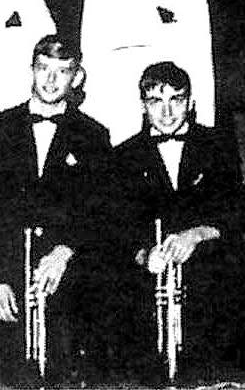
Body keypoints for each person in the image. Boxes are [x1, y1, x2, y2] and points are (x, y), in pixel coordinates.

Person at [92, 61, 242, 382]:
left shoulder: (216, 146)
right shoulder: (122, 156)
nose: (167, 111)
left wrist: (196, 235)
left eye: (176, 99)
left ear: (190, 101)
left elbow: (235, 211)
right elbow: (114, 228)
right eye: (156, 101)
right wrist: (144, 255)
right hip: (147, 288)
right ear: (143, 105)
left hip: (210, 286)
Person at [0, 35, 110, 384]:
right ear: (31, 71)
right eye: (43, 69)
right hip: (7, 286)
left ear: (77, 78)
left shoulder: (95, 136)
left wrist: (65, 250)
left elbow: (99, 211)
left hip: (67, 284)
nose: (51, 80)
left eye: (63, 71)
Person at [80, 0, 215, 145]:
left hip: (172, 128)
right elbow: (92, 76)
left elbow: (202, 71)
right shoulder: (97, 2)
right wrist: (91, 142)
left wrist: (204, 139)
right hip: (117, 131)